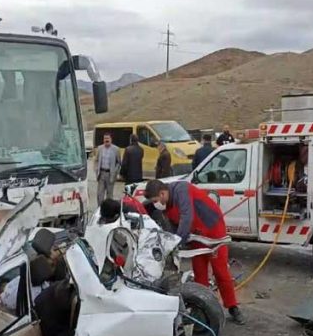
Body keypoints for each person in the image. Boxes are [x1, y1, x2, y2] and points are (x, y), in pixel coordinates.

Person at [144, 179, 245, 324]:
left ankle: (233, 307)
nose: (156, 204)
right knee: (199, 273)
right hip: (195, 235)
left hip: (213, 230)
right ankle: (203, 309)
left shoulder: (181, 190)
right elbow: (173, 226)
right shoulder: (165, 205)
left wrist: (177, 241)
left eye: (155, 200)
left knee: (220, 271)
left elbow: (187, 216)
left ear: (162, 193)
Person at [95, 133, 121, 205]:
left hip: (110, 175)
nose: (106, 140)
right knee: (99, 194)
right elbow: (96, 160)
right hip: (101, 174)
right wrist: (96, 170)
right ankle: (100, 208)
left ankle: (108, 210)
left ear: (111, 139)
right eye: (105, 138)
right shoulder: (100, 148)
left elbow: (119, 162)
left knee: (109, 195)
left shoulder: (116, 149)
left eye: (107, 138)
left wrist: (115, 171)